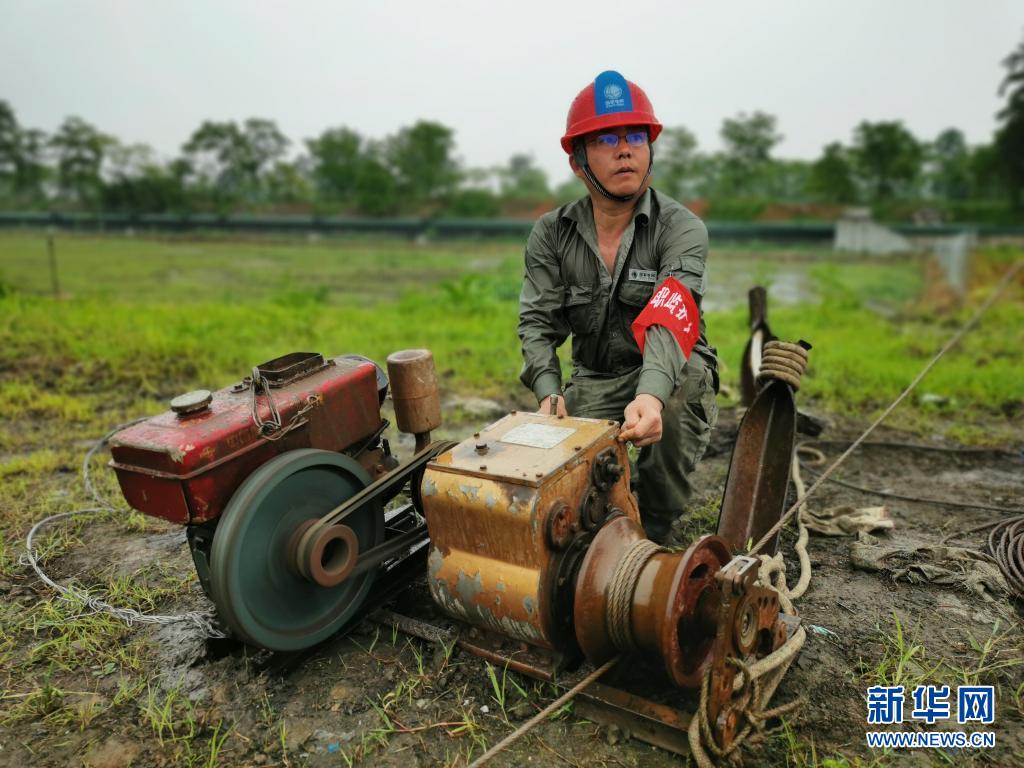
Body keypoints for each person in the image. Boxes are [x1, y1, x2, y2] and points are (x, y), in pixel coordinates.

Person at [517, 70, 719, 544]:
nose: (624, 150)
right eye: (607, 139)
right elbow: (537, 322)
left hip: (668, 371)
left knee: (682, 388)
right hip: (595, 378)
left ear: (650, 149)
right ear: (578, 161)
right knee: (572, 491)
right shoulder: (552, 233)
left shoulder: (681, 228)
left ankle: (657, 530)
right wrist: (549, 394)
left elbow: (670, 316)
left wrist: (650, 396)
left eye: (636, 137)